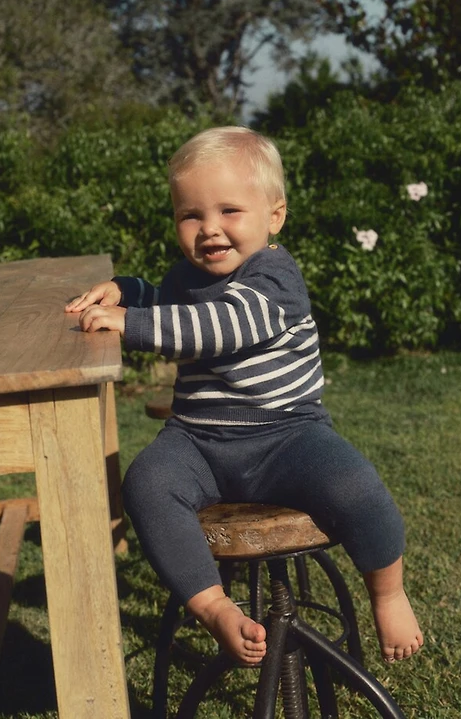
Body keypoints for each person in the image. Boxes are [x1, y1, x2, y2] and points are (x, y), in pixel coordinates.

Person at [65, 126, 423, 667]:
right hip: (198, 441)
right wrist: (130, 290)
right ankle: (212, 606)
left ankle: (388, 591)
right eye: (191, 216)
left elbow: (219, 325)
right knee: (146, 482)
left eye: (229, 211)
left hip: (289, 438)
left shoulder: (275, 277)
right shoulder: (186, 278)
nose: (210, 229)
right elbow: (172, 302)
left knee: (355, 486)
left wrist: (132, 323)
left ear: (274, 216)